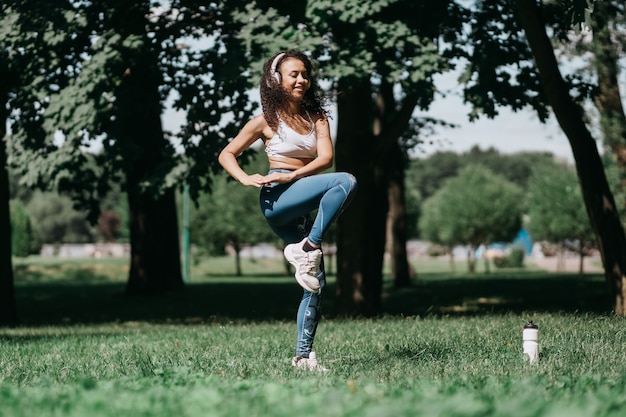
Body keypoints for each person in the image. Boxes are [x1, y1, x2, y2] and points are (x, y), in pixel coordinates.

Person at [218, 50, 357, 371]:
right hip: (277, 198)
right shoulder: (266, 120)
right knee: (345, 182)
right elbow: (227, 153)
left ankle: (303, 356)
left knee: (314, 280)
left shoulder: (317, 117)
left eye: (305, 74)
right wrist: (244, 177)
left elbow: (325, 159)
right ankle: (308, 245)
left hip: (299, 190)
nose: (301, 80)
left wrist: (295, 175)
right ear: (276, 79)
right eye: (293, 74)